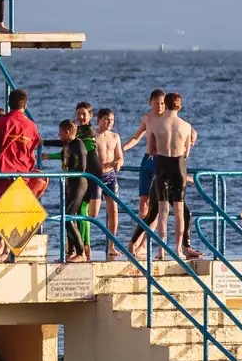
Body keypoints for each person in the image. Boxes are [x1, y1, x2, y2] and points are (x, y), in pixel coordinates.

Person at [0, 89, 45, 264]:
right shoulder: (31, 126)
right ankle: (9, 254)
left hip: (3, 173)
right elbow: (31, 152)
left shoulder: (1, 124)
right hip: (22, 174)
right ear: (26, 104)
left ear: (9, 103)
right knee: (13, 214)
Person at [143, 91, 200, 261]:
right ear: (179, 106)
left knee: (163, 210)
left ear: (165, 104)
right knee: (179, 210)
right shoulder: (186, 126)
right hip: (178, 166)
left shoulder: (155, 124)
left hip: (162, 165)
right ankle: (178, 249)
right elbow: (187, 152)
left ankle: (161, 250)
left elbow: (150, 150)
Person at [122, 90, 167, 257]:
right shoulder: (147, 119)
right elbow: (136, 137)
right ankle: (137, 239)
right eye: (157, 103)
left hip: (160, 161)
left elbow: (186, 131)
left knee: (155, 207)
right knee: (143, 205)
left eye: (163, 103)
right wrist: (122, 149)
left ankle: (143, 244)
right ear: (150, 103)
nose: (160, 106)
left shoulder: (168, 119)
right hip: (146, 161)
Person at [58, 119, 93, 263]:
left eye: (60, 133)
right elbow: (57, 143)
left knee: (68, 217)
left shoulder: (79, 144)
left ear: (67, 132)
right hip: (71, 182)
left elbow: (83, 167)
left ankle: (81, 252)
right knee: (67, 216)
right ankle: (71, 251)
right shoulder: (69, 144)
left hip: (79, 182)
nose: (59, 135)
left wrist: (69, 173)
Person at [91, 108, 123, 255]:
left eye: (111, 119)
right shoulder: (94, 136)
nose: (109, 122)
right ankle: (82, 243)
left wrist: (118, 162)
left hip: (110, 176)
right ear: (99, 120)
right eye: (106, 119)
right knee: (93, 214)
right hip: (96, 176)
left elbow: (120, 157)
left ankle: (111, 246)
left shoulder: (115, 137)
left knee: (114, 211)